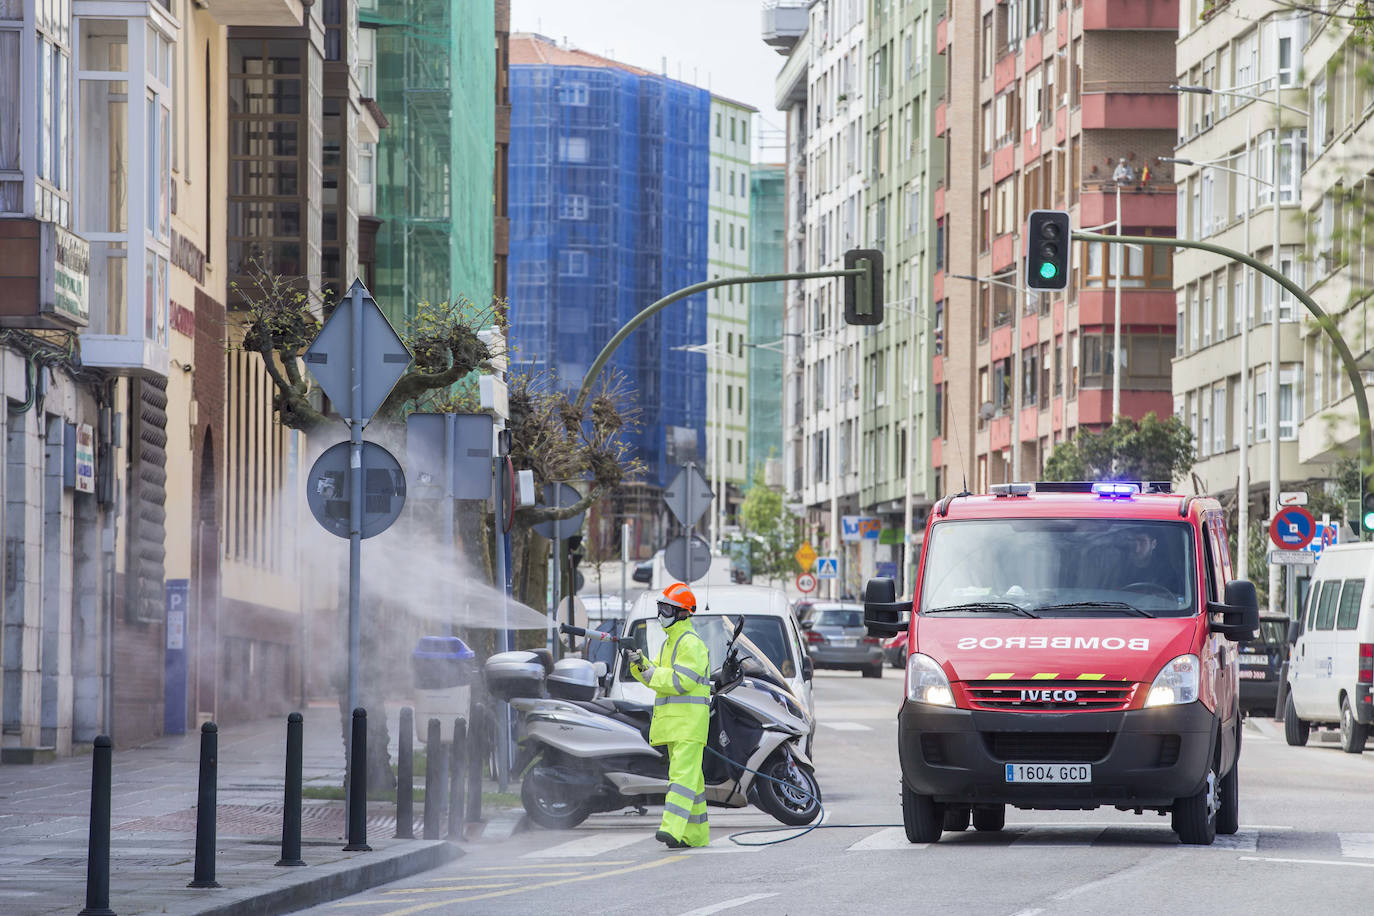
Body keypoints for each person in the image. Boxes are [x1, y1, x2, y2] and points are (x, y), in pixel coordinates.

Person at [625, 582, 711, 849]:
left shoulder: (690, 644)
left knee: (681, 779)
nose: (662, 613)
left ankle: (672, 829)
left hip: (688, 725)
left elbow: (681, 681)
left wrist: (651, 672)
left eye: (667, 608)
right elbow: (657, 678)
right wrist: (640, 664)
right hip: (677, 725)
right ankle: (694, 835)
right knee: (692, 784)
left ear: (683, 612)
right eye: (661, 607)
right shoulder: (669, 643)